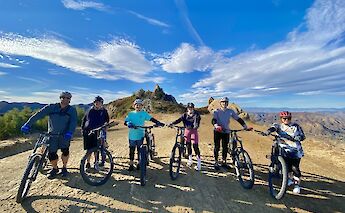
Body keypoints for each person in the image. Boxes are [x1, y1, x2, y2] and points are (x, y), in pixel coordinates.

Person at [21, 91, 77, 178]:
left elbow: (73, 122)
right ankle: (55, 168)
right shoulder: (52, 107)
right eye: (63, 97)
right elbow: (38, 115)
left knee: (65, 151)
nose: (65, 99)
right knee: (52, 154)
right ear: (60, 98)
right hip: (52, 135)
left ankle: (64, 168)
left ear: (70, 100)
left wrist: (70, 132)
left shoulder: (72, 110)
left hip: (64, 135)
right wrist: (28, 124)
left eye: (68, 98)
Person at [262, 111, 306, 194]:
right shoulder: (279, 126)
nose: (287, 120)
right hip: (283, 149)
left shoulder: (296, 126)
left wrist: (298, 137)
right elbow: (273, 128)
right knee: (287, 167)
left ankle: (297, 185)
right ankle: (289, 179)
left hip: (295, 150)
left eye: (288, 118)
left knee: (295, 168)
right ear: (281, 119)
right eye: (284, 118)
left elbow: (303, 136)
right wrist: (268, 131)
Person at [124, 99, 165, 171]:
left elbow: (151, 118)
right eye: (136, 104)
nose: (138, 106)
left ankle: (140, 163)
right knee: (132, 149)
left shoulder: (144, 113)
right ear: (134, 106)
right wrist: (128, 123)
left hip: (140, 134)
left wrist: (158, 122)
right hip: (132, 135)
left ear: (142, 106)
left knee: (140, 150)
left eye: (139, 105)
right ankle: (131, 164)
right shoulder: (130, 113)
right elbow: (125, 121)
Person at [212, 97, 251, 170]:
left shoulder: (230, 111)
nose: (224, 103)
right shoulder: (216, 111)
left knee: (225, 147)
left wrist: (245, 126)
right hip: (218, 131)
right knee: (217, 147)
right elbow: (214, 120)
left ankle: (224, 162)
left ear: (227, 103)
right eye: (223, 102)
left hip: (226, 131)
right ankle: (216, 162)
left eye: (226, 102)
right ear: (220, 103)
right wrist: (216, 125)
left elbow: (238, 119)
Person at [168, 102, 202, 171]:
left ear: (193, 108)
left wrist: (195, 126)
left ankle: (199, 163)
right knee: (188, 145)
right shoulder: (185, 115)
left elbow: (197, 122)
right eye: (189, 108)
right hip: (187, 131)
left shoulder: (196, 115)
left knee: (195, 146)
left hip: (193, 131)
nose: (190, 109)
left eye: (191, 108)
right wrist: (172, 123)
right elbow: (178, 120)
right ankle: (190, 160)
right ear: (187, 108)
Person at [81, 96, 110, 170]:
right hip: (88, 131)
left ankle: (96, 163)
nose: (97, 103)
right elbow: (84, 120)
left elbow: (107, 120)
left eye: (99, 102)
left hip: (98, 131)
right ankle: (88, 163)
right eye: (96, 102)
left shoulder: (104, 111)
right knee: (88, 149)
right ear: (94, 103)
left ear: (102, 103)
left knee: (96, 149)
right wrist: (82, 129)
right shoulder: (89, 110)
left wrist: (106, 126)